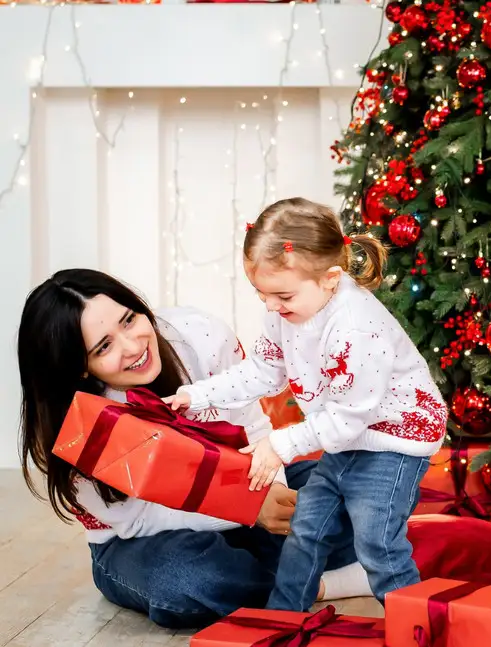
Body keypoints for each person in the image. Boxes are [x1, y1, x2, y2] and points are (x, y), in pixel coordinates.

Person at [17, 269, 364, 629]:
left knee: (356, 485)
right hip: (150, 537)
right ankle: (316, 584)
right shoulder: (76, 425)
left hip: (246, 490)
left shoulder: (201, 335)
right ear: (80, 369)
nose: (133, 346)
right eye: (104, 347)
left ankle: (273, 566)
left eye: (129, 320)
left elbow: (253, 425)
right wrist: (247, 509)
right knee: (188, 579)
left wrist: (270, 490)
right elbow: (138, 519)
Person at [166, 197, 447, 612]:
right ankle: (281, 618)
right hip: (346, 438)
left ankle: (416, 628)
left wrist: (280, 444)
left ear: (331, 279)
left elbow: (352, 416)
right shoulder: (285, 313)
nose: (270, 306)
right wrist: (197, 394)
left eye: (281, 295)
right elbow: (261, 372)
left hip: (393, 443)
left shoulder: (356, 327)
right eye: (261, 294)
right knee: (306, 530)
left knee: (377, 542)